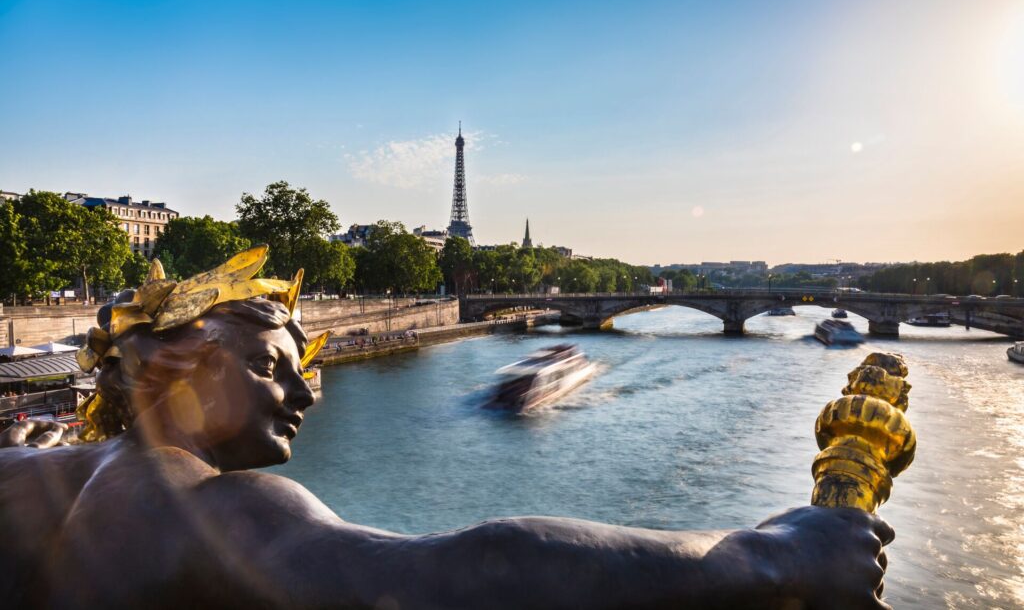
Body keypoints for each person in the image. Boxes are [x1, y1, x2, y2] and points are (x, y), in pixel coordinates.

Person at [0, 248, 892, 609]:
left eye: (309, 370)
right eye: (276, 366)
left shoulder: (42, 475)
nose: (307, 394)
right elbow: (475, 566)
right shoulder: (196, 503)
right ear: (185, 365)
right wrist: (768, 551)